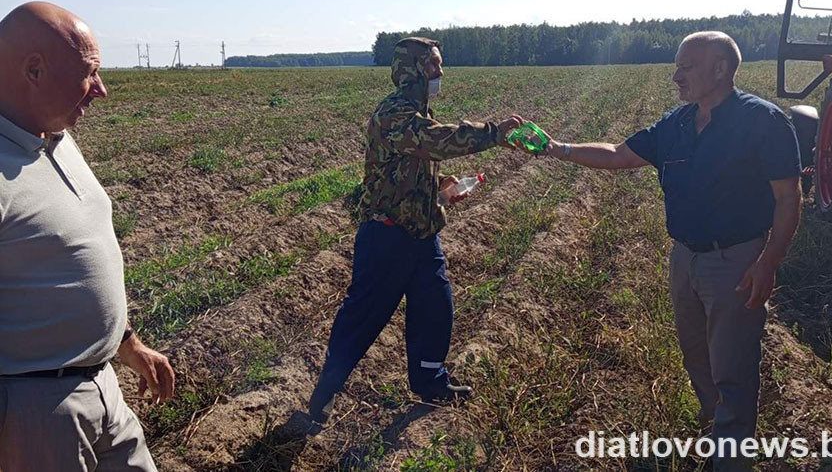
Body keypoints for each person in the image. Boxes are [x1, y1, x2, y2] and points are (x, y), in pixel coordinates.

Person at [535, 31, 801, 470]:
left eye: (686, 67)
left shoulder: (763, 121)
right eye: (677, 67)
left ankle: (731, 460)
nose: (676, 76)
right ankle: (714, 427)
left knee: (733, 366)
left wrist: (768, 262)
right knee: (697, 355)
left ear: (721, 69)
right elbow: (618, 155)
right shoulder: (676, 124)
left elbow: (788, 198)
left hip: (736, 261)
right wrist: (554, 147)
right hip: (685, 258)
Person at [307, 37, 522, 422]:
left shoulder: (419, 111)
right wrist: (493, 133)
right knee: (363, 319)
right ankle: (325, 392)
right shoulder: (394, 113)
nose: (441, 72)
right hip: (386, 237)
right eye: (433, 65)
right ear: (413, 70)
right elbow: (435, 140)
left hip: (422, 234)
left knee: (435, 307)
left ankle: (430, 381)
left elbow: (413, 164)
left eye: (440, 64)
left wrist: (440, 189)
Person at [0, 2, 175, 471]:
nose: (101, 89)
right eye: (89, 73)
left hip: (103, 387)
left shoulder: (54, 136)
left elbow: (71, 258)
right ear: (34, 70)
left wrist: (127, 343)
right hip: (36, 414)